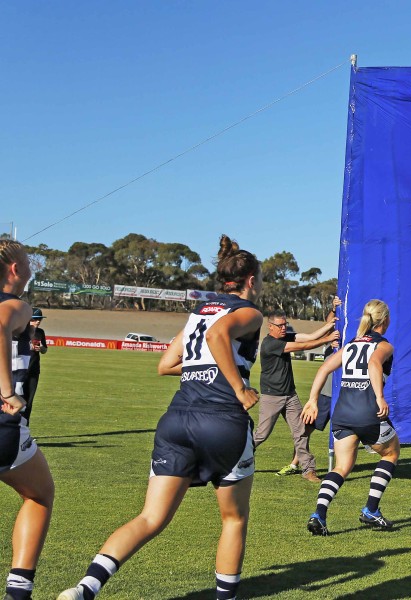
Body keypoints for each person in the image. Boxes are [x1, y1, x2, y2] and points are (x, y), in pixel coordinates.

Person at [59, 235, 263, 600]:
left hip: (177, 419)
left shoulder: (199, 312)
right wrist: (239, 388)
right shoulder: (248, 312)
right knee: (233, 518)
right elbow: (219, 336)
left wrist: (204, 369)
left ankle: (84, 588)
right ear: (251, 280)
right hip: (221, 421)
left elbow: (166, 364)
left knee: (150, 518)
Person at [302, 300, 400, 535]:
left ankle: (319, 514)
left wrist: (312, 400)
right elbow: (374, 363)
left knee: (342, 466)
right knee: (391, 452)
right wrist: (379, 397)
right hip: (367, 411)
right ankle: (371, 510)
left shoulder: (351, 344)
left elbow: (325, 367)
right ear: (384, 320)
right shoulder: (384, 345)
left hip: (343, 413)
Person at [1, 241, 54, 600]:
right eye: (29, 263)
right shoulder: (17, 305)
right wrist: (8, 393)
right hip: (2, 428)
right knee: (39, 495)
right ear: (16, 269)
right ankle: (18, 593)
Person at [254, 305, 339, 483]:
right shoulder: (271, 344)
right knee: (261, 434)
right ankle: (235, 458)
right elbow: (306, 345)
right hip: (272, 396)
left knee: (301, 431)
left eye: (285, 324)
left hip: (290, 395)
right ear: (270, 327)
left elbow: (310, 336)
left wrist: (330, 324)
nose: (283, 328)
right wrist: (328, 339)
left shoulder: (285, 336)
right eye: (280, 326)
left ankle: (308, 469)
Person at [20, 308, 46, 425]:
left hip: (34, 371)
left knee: (29, 402)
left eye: (39, 319)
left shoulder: (40, 333)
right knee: (17, 401)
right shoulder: (20, 331)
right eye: (35, 319)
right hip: (20, 371)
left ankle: (25, 429)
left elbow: (45, 349)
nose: (38, 322)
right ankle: (14, 428)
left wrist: (41, 349)